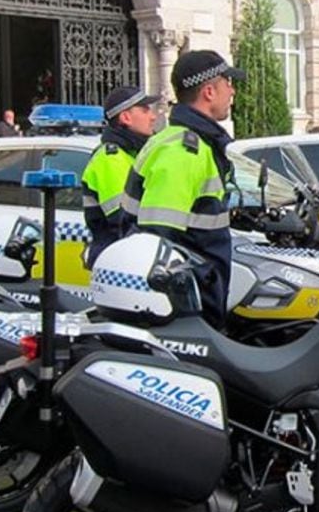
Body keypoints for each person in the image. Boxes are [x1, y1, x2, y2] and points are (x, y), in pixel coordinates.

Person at [120, 51, 246, 329]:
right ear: (209, 91)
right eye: (228, 82)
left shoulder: (188, 143)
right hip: (189, 307)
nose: (232, 90)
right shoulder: (183, 151)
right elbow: (159, 241)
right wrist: (200, 290)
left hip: (197, 296)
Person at [81, 86, 162, 267]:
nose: (153, 116)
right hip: (117, 262)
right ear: (125, 117)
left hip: (130, 257)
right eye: (144, 110)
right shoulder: (110, 159)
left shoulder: (133, 155)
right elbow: (125, 220)